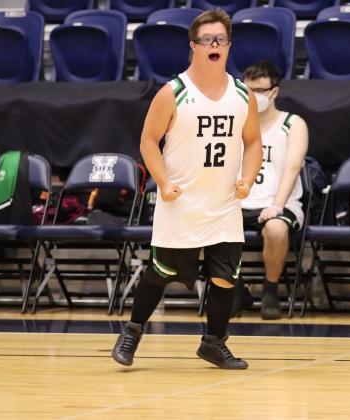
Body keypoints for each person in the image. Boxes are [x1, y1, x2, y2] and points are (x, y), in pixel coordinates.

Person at [112, 9, 262, 370]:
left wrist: (249, 176)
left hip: (224, 203)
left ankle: (213, 343)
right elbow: (149, 141)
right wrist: (162, 181)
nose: (215, 45)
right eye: (208, 39)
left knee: (226, 278)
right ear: (193, 46)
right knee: (160, 273)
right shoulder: (173, 92)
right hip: (181, 202)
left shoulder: (243, 95)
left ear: (228, 46)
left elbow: (253, 142)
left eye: (221, 40)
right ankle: (132, 331)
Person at [232, 60, 309, 320]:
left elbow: (292, 167)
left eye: (258, 91)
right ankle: (237, 289)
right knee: (200, 223)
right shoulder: (235, 124)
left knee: (276, 227)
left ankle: (270, 290)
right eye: (247, 90)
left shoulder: (292, 123)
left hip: (280, 202)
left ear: (274, 92)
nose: (251, 96)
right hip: (240, 202)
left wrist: (276, 205)